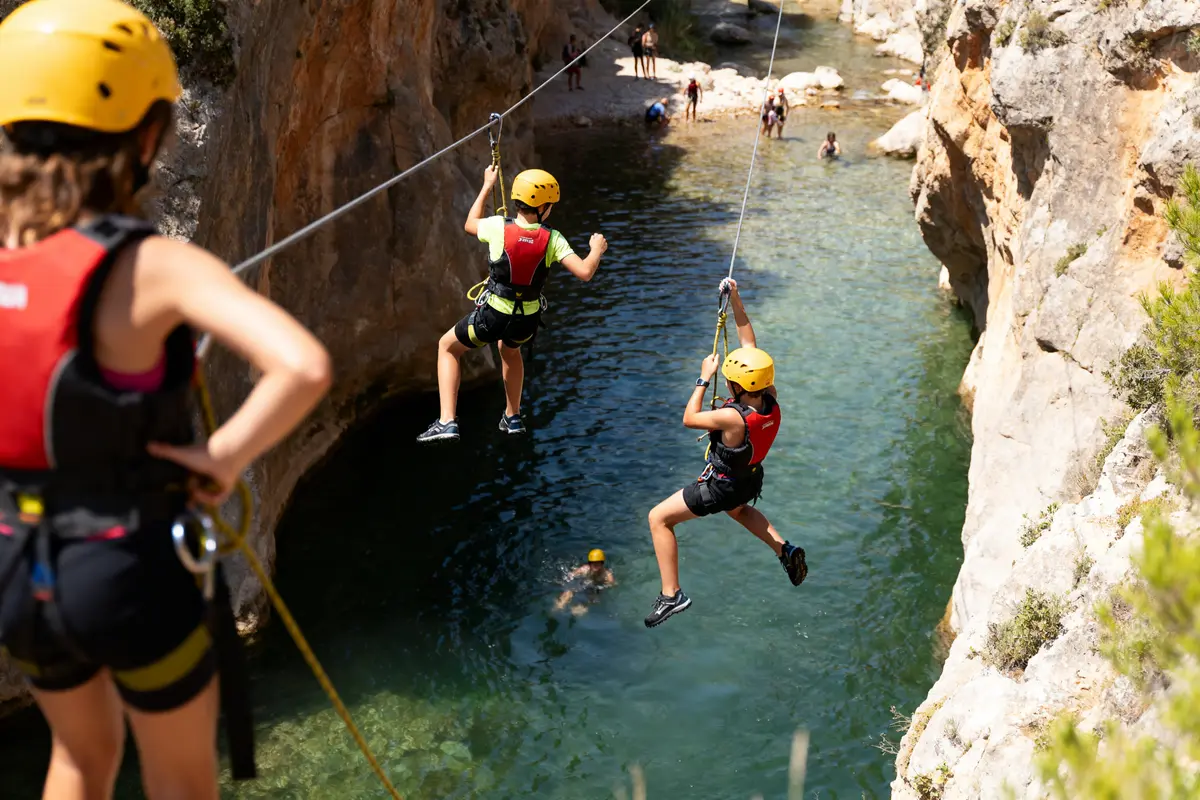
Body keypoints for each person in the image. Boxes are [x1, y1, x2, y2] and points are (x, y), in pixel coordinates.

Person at [0, 0, 333, 796]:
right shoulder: (147, 264)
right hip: (126, 565)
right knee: (182, 779)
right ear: (146, 135)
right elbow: (302, 365)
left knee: (78, 758)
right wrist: (221, 458)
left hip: (18, 559)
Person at [643, 279, 806, 629]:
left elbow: (689, 418)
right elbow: (750, 342)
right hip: (750, 479)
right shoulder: (770, 399)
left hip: (721, 485)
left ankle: (672, 594)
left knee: (658, 518)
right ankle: (785, 550)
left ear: (735, 385)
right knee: (740, 510)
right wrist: (735, 297)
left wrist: (703, 378)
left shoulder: (731, 417)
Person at [417, 167, 607, 443]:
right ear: (542, 207)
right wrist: (596, 250)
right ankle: (512, 415)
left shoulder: (497, 226)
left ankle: (447, 420)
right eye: (550, 205)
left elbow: (470, 223)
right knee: (510, 350)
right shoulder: (553, 239)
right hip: (526, 321)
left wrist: (487, 184)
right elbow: (585, 272)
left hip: (492, 316)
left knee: (447, 347)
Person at [554, 549, 616, 616]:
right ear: (589, 563)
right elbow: (570, 575)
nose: (595, 565)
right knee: (568, 593)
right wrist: (564, 580)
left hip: (594, 589)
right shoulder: (584, 569)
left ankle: (573, 614)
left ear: (602, 563)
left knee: (588, 603)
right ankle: (555, 611)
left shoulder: (606, 574)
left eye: (598, 562)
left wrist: (609, 584)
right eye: (593, 563)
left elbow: (612, 584)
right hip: (582, 583)